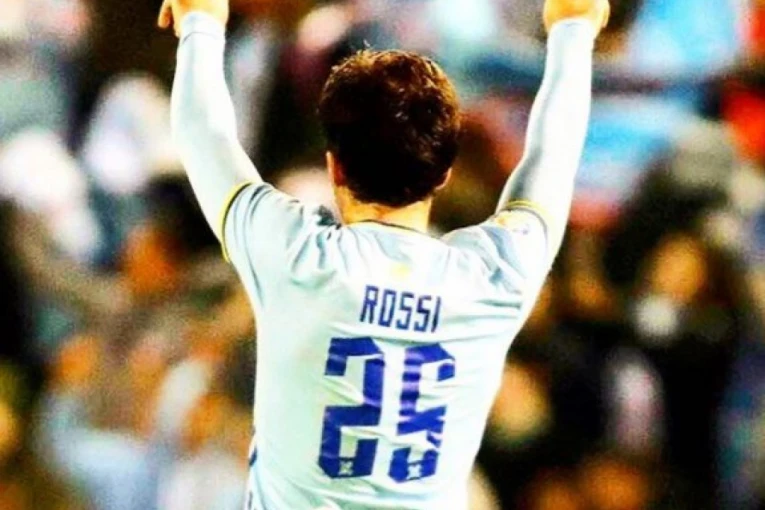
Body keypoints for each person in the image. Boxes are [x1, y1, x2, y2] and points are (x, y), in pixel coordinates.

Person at [157, 0, 609, 507]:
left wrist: (201, 22)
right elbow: (552, 156)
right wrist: (573, 31)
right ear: (444, 174)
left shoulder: (295, 256)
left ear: (334, 168)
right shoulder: (494, 277)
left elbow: (202, 133)